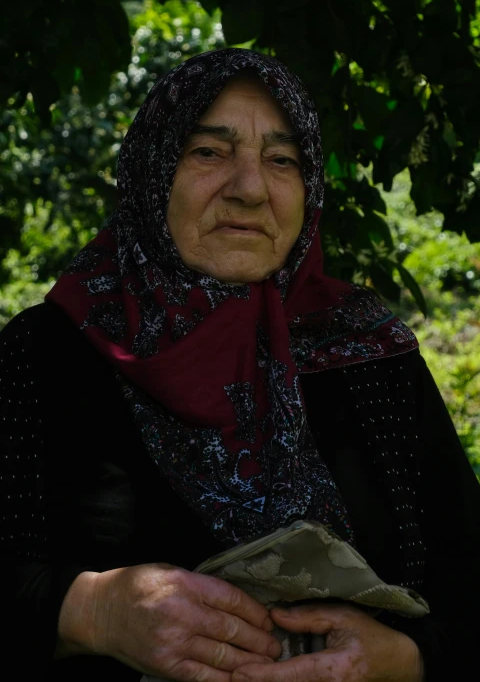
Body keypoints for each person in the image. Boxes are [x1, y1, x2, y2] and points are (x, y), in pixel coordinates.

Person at [1, 48, 479, 682]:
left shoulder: (367, 356)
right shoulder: (48, 354)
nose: (250, 188)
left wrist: (408, 658)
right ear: (152, 172)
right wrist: (93, 611)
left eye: (282, 160)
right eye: (208, 152)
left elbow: (469, 585)